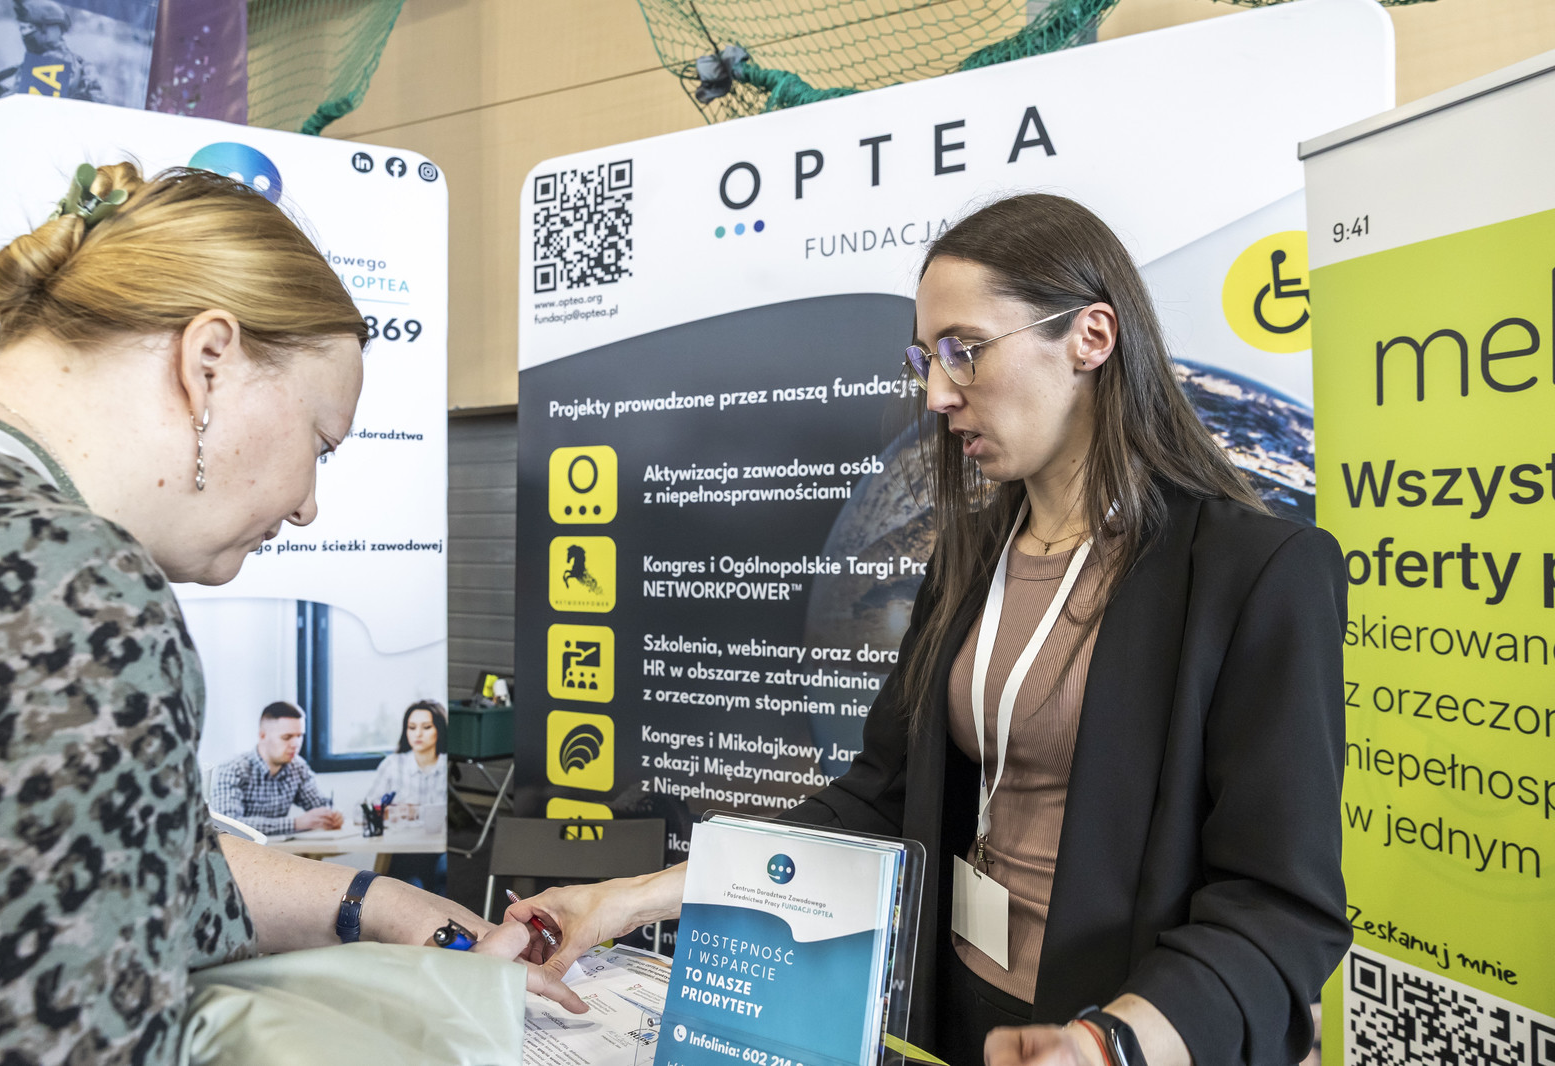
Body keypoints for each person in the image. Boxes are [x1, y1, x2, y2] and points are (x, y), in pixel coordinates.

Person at [509, 193, 1350, 1066]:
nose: (937, 394)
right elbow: (875, 800)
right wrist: (626, 900)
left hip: (1112, 1032)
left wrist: (1110, 1045)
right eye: (926, 358)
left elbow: (1278, 908)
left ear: (1091, 338)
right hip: (952, 1009)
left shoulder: (1257, 572)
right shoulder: (973, 560)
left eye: (965, 351)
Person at [0, 161, 581, 1065]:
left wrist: (376, 904)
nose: (306, 506)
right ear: (208, 360)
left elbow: (92, 863)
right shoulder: (74, 591)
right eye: (320, 446)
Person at [210, 701, 344, 836]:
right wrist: (295, 824)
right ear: (262, 736)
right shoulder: (233, 769)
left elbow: (320, 806)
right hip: (239, 849)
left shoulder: (297, 767)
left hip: (277, 847)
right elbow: (229, 825)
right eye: (287, 737)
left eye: (299, 736)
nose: (296, 744)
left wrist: (332, 816)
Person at [367, 699, 451, 893]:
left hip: (439, 849)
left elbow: (451, 817)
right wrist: (381, 812)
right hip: (403, 850)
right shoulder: (392, 764)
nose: (418, 734)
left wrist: (415, 812)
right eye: (412, 727)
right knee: (409, 889)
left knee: (444, 873)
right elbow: (363, 810)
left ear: (439, 730)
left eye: (426, 727)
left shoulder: (448, 765)